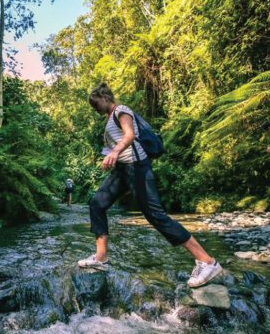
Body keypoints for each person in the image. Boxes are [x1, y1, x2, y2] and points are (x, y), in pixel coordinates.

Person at [77, 83, 222, 288]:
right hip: (122, 170)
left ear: (105, 97)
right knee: (97, 204)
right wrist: (112, 156)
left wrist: (114, 152)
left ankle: (207, 262)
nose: (95, 108)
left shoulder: (121, 110)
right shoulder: (109, 119)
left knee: (155, 216)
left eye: (95, 103)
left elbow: (129, 135)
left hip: (137, 167)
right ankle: (101, 258)